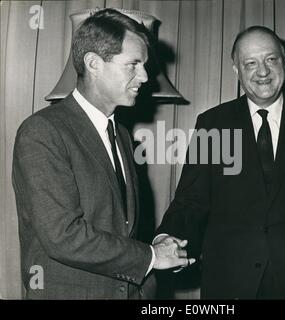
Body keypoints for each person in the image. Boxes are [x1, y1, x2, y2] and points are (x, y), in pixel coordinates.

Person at [12, 8, 194, 300]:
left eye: (144, 65)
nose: (145, 76)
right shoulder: (42, 131)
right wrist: (151, 256)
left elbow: (121, 229)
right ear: (93, 64)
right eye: (133, 64)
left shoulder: (121, 134)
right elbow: (62, 236)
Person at [155, 26, 285, 299]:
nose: (263, 71)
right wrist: (167, 237)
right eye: (251, 63)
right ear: (236, 69)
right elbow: (190, 200)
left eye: (271, 59)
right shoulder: (212, 125)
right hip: (229, 282)